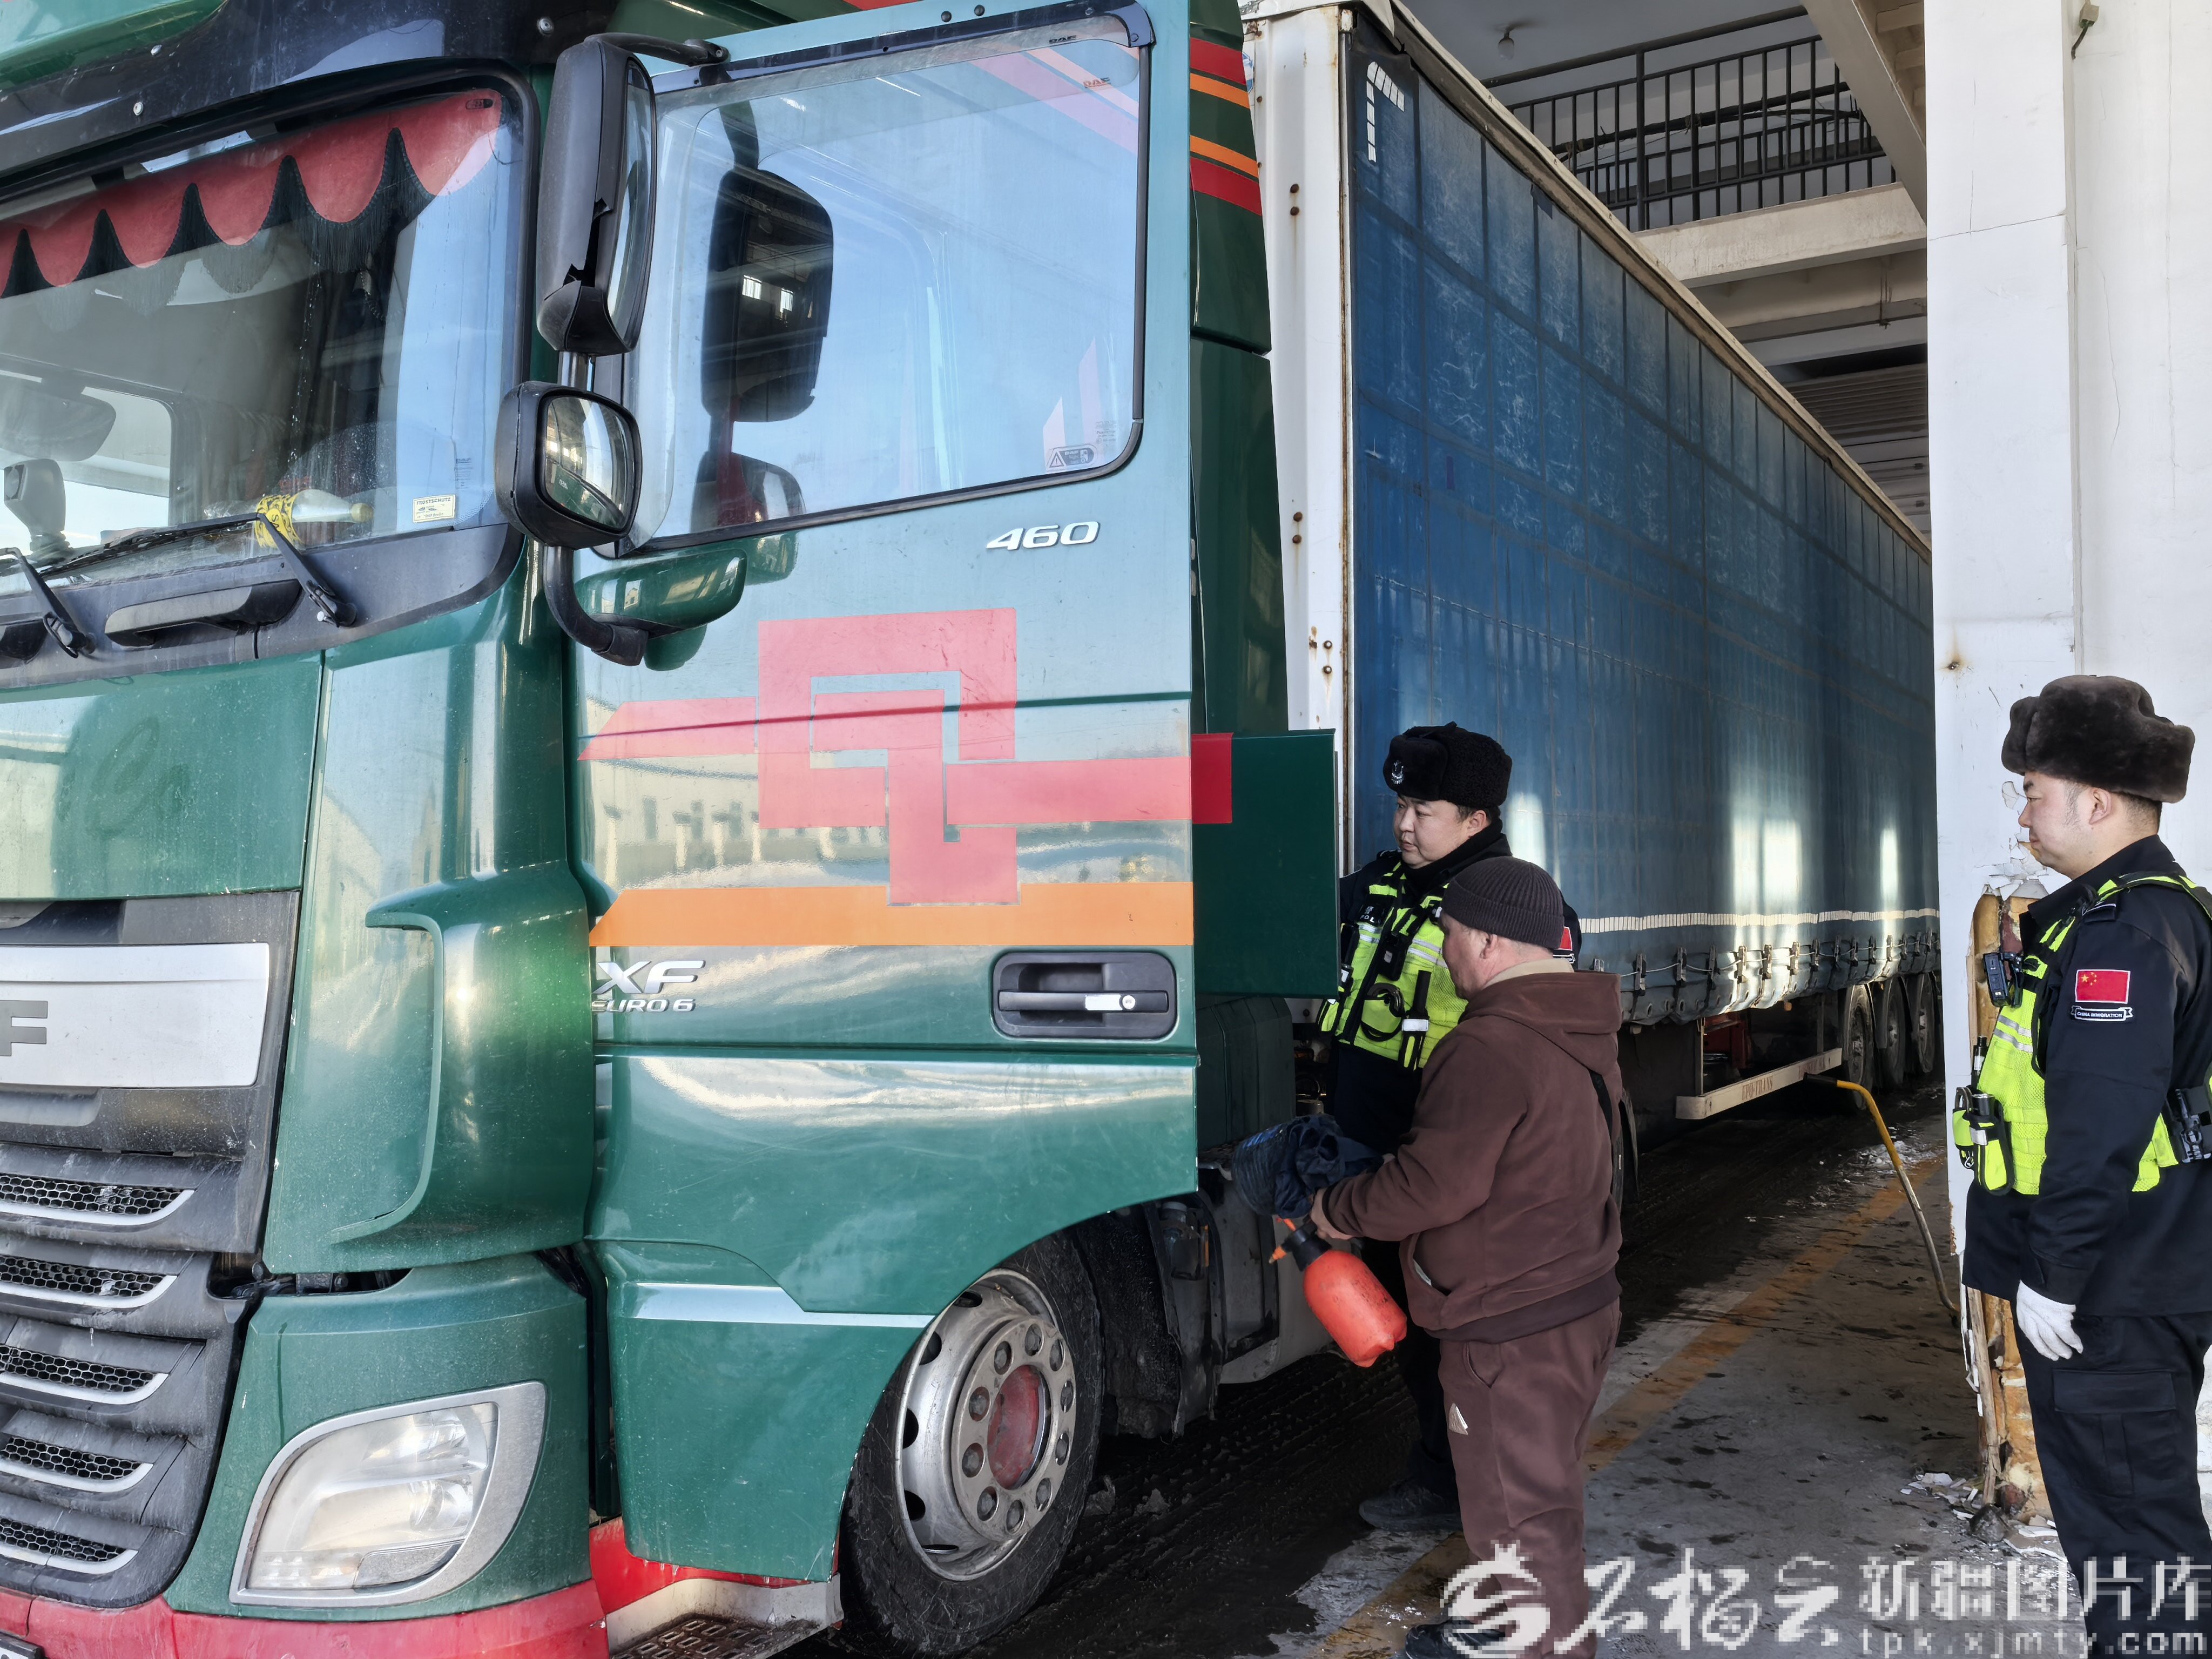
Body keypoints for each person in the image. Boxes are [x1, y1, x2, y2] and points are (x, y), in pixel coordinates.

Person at [1957, 675, 2211, 1656]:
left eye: (2034, 792)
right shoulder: (2121, 916)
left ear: (2097, 803)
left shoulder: (2126, 933)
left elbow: (2099, 1123)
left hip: (2109, 1294)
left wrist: (2056, 1276)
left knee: (2135, 1540)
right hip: (2128, 1280)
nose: (2023, 814)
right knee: (2127, 1525)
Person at [1311, 858, 1622, 1659]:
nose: (1444, 950)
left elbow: (1430, 1186)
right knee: (1538, 1498)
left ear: (1486, 942)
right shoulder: (1576, 1024)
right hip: (1573, 1303)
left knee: (1520, 1517)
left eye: (1448, 933)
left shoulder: (1488, 1045)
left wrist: (1336, 1208)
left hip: (1511, 1329)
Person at [1317, 724, 1579, 1532]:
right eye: (1400, 804)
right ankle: (1452, 1474)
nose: (1404, 824)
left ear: (1475, 819)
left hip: (1454, 1164)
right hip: (1378, 1151)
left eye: (1422, 811)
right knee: (1415, 1329)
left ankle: (1464, 1492)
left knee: (1460, 1337)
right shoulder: (1382, 885)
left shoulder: (1511, 908)